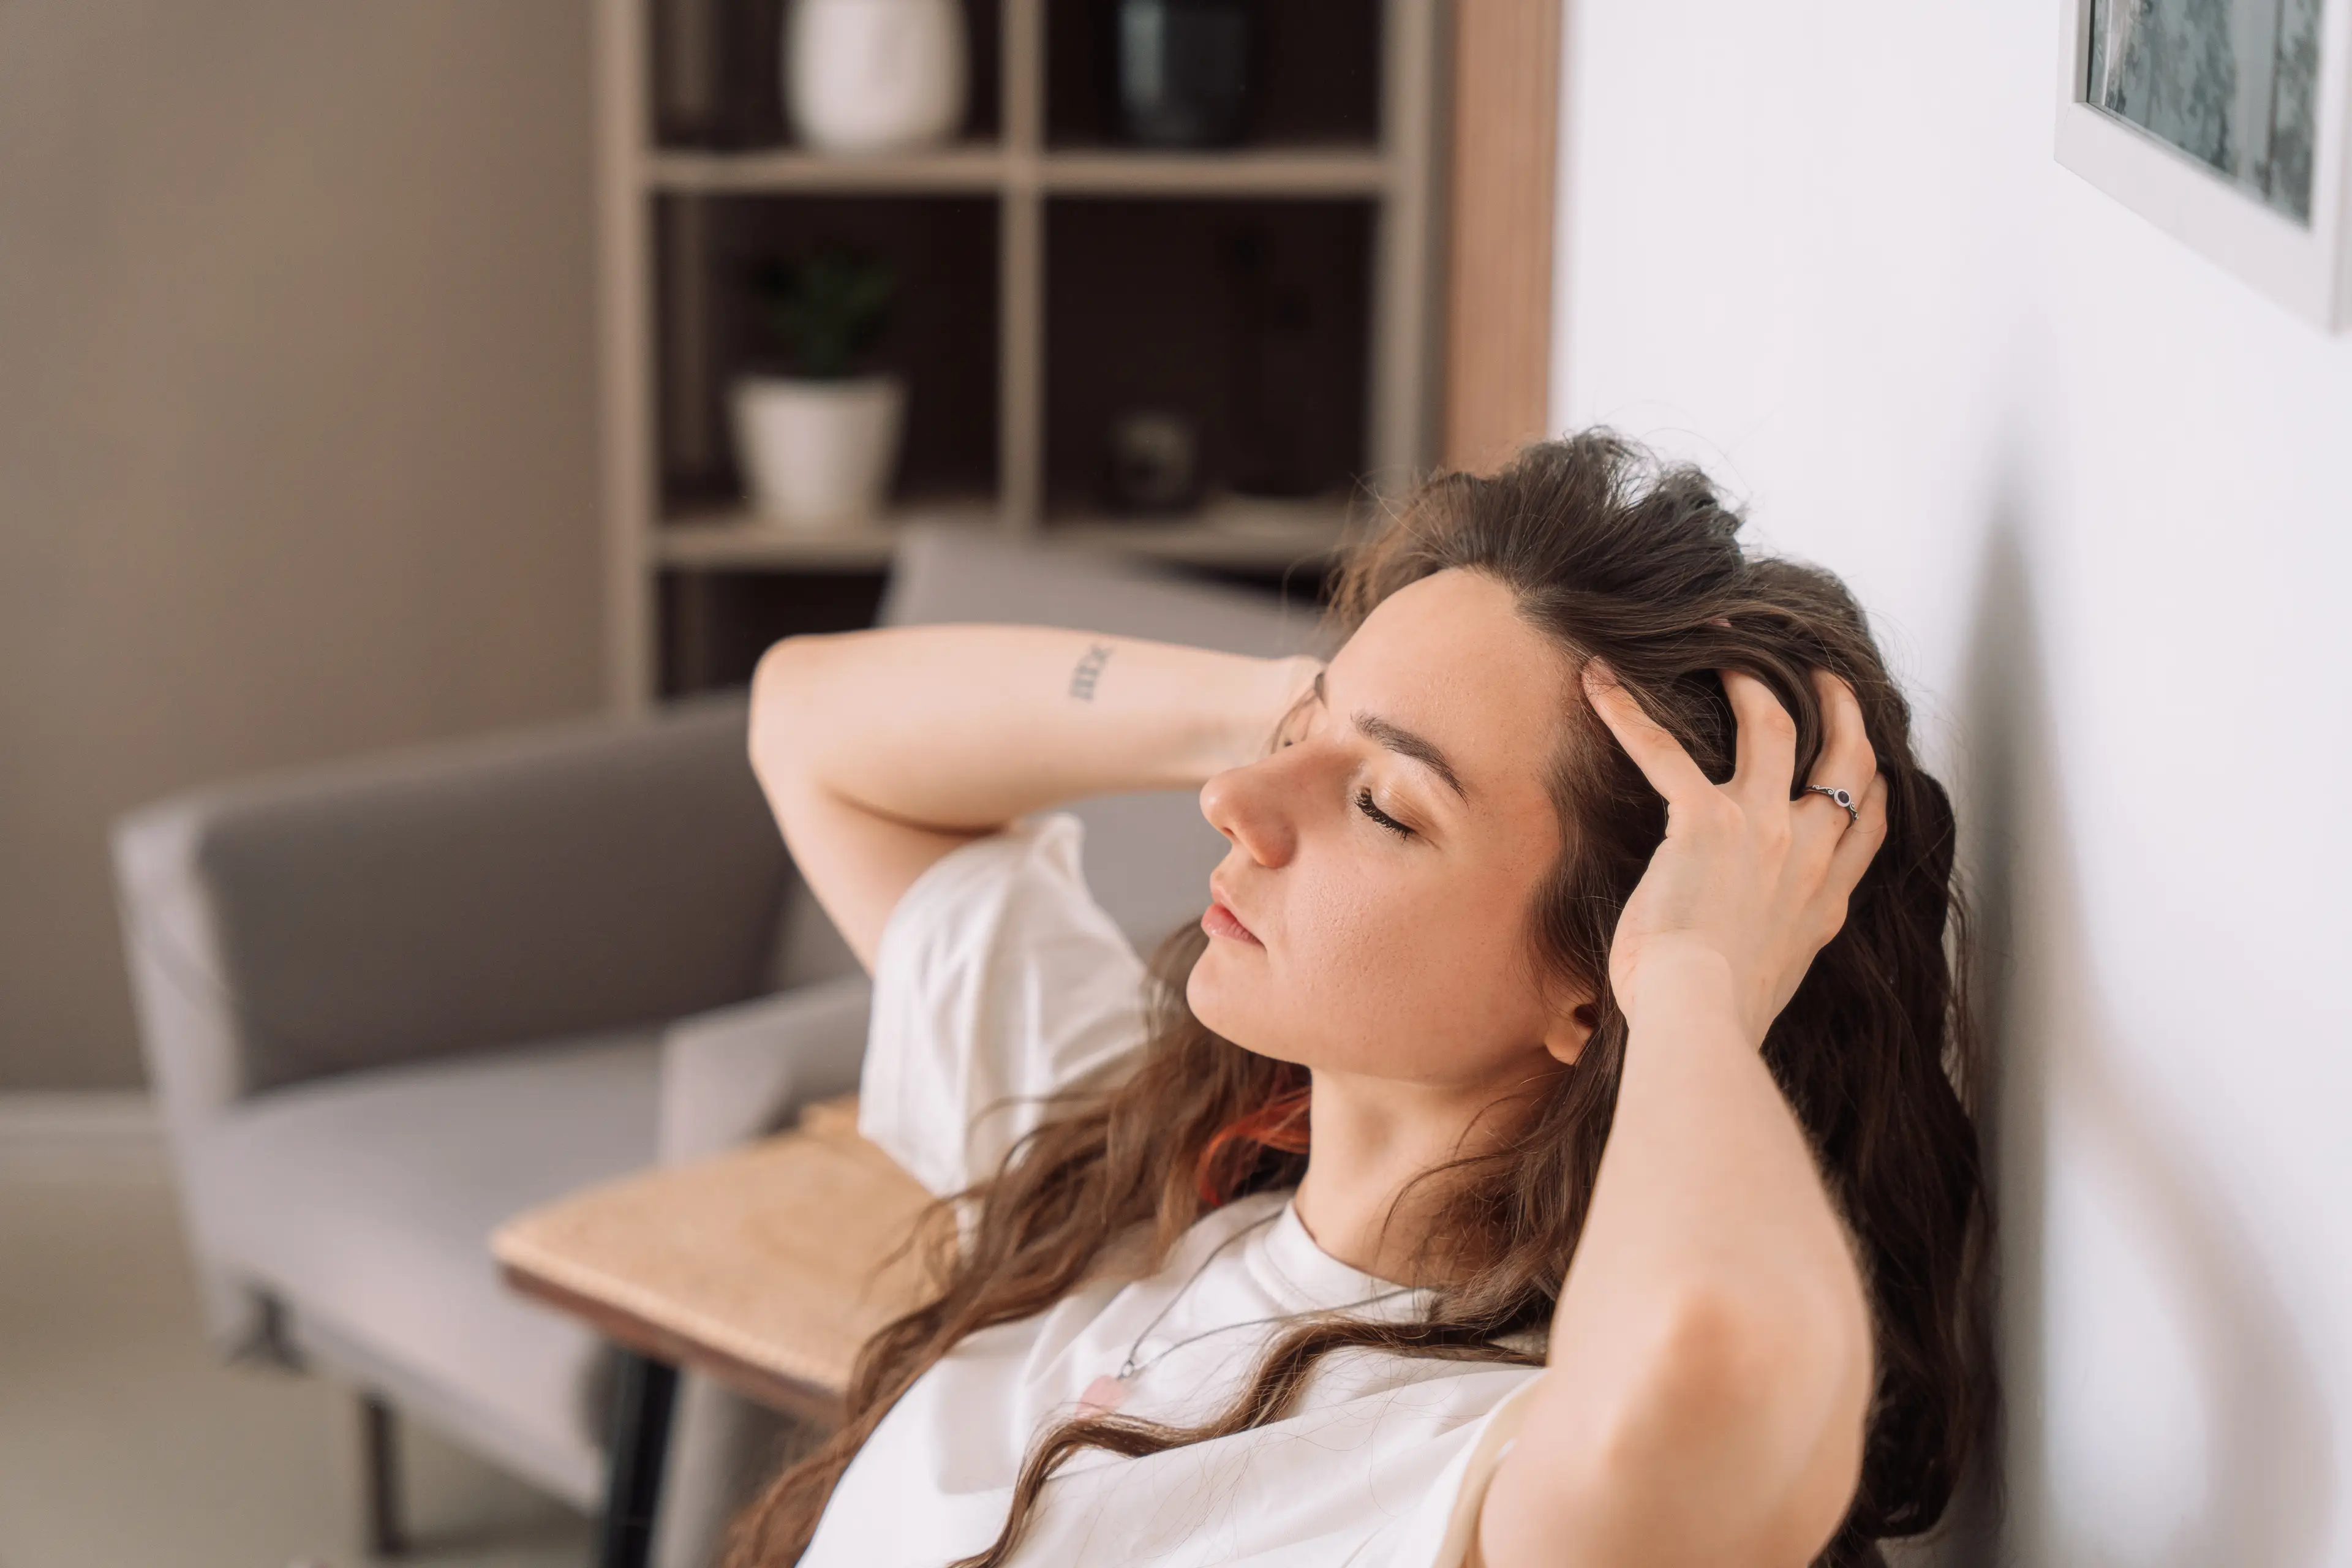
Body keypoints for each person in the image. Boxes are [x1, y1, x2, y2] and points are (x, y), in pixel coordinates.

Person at [728, 432, 1991, 1568]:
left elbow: (1721, 1371)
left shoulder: (1473, 1466)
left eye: (1384, 804)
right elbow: (812, 726)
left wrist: (1697, 980)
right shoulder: (1128, 1169)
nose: (1234, 798)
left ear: (1595, 995)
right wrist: (1285, 705)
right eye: (1301, 738)